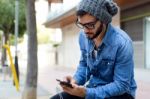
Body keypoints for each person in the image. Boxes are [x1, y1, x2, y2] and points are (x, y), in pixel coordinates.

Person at [50, 0, 137, 99]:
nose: (85, 31)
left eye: (90, 25)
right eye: (82, 25)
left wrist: (86, 93)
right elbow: (84, 65)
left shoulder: (122, 43)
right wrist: (75, 81)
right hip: (94, 87)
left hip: (121, 94)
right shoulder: (83, 36)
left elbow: (121, 85)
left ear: (103, 21)